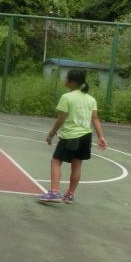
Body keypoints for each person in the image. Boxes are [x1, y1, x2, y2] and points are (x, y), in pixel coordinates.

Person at [38, 69, 107, 204]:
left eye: (66, 78)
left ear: (72, 82)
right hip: (86, 137)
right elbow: (95, 118)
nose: (64, 80)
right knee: (77, 165)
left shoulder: (66, 97)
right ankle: (69, 195)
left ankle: (54, 193)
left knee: (56, 162)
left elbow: (61, 118)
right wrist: (101, 136)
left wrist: (51, 133)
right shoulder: (91, 99)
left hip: (71, 136)